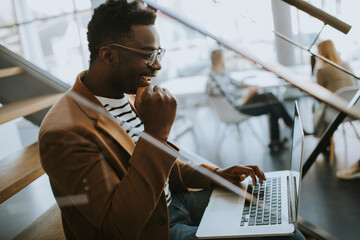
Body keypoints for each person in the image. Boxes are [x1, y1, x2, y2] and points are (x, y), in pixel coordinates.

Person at [37, 1, 306, 240]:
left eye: (158, 53)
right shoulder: (64, 133)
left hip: (172, 204)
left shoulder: (123, 94)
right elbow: (119, 227)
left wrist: (215, 175)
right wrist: (156, 133)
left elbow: (162, 169)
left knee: (277, 216)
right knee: (289, 237)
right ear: (109, 55)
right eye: (147, 55)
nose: (157, 66)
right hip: (152, 230)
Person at [206, 49, 295, 151]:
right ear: (221, 60)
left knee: (270, 96)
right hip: (237, 110)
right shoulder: (214, 82)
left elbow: (234, 83)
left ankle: (285, 131)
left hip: (241, 102)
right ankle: (289, 128)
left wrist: (250, 86)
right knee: (272, 105)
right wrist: (250, 93)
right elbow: (236, 104)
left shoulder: (220, 74)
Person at [314, 40, 359, 178]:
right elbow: (356, 85)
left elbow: (318, 93)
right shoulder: (346, 65)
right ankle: (324, 139)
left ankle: (321, 138)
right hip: (353, 110)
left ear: (321, 53)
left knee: (317, 107)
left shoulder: (322, 70)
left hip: (335, 113)